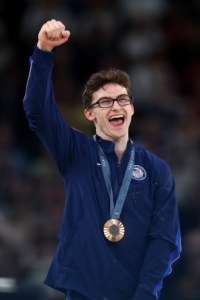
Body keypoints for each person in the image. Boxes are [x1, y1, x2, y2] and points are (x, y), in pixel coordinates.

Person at [23, 19, 181, 300]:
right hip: (83, 292)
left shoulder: (156, 169)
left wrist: (144, 294)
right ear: (89, 114)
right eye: (105, 102)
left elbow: (165, 240)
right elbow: (37, 111)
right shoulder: (75, 152)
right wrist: (44, 51)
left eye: (122, 99)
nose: (116, 106)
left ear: (132, 108)